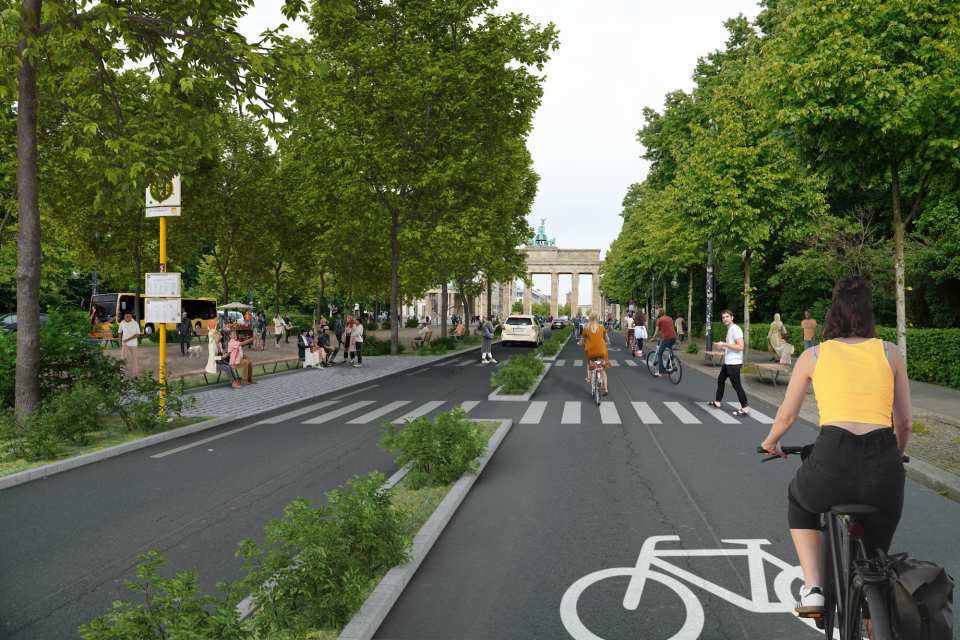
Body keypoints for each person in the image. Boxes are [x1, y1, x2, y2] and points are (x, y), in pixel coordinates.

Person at [760, 276, 911, 618]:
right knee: (875, 563)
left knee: (800, 499)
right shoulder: (891, 352)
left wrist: (770, 443)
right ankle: (876, 610)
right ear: (869, 313)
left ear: (831, 315)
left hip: (831, 460)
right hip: (884, 467)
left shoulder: (814, 355)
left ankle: (813, 588)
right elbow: (903, 424)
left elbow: (786, 414)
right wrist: (897, 455)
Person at [706, 309, 749, 416]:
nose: (725, 319)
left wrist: (724, 344)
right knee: (720, 380)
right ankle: (717, 402)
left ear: (732, 317)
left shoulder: (735, 329)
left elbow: (740, 347)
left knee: (737, 386)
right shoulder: (730, 329)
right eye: (723, 317)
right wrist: (721, 345)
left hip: (734, 364)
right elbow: (732, 345)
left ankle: (745, 408)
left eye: (727, 317)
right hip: (729, 362)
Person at [577, 311, 611, 396]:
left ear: (590, 319)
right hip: (602, 351)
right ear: (597, 318)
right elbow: (607, 338)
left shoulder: (586, 329)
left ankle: (589, 378)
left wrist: (579, 343)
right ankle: (606, 389)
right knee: (602, 370)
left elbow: (581, 341)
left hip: (591, 352)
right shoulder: (601, 327)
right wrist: (608, 343)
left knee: (589, 364)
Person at [649, 309, 677, 378]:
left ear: (659, 314)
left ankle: (660, 372)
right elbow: (670, 328)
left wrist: (653, 338)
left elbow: (656, 332)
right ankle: (672, 360)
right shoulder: (670, 318)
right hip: (674, 337)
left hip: (666, 338)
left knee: (659, 353)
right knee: (669, 346)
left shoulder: (659, 320)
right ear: (665, 313)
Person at [117, 311, 140, 378]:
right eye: (125, 316)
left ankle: (135, 375)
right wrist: (120, 340)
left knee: (134, 359)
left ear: (131, 316)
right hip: (125, 344)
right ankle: (121, 374)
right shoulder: (122, 322)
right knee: (122, 359)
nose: (126, 317)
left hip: (133, 344)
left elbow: (137, 334)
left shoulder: (135, 323)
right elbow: (119, 332)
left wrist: (129, 339)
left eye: (127, 316)